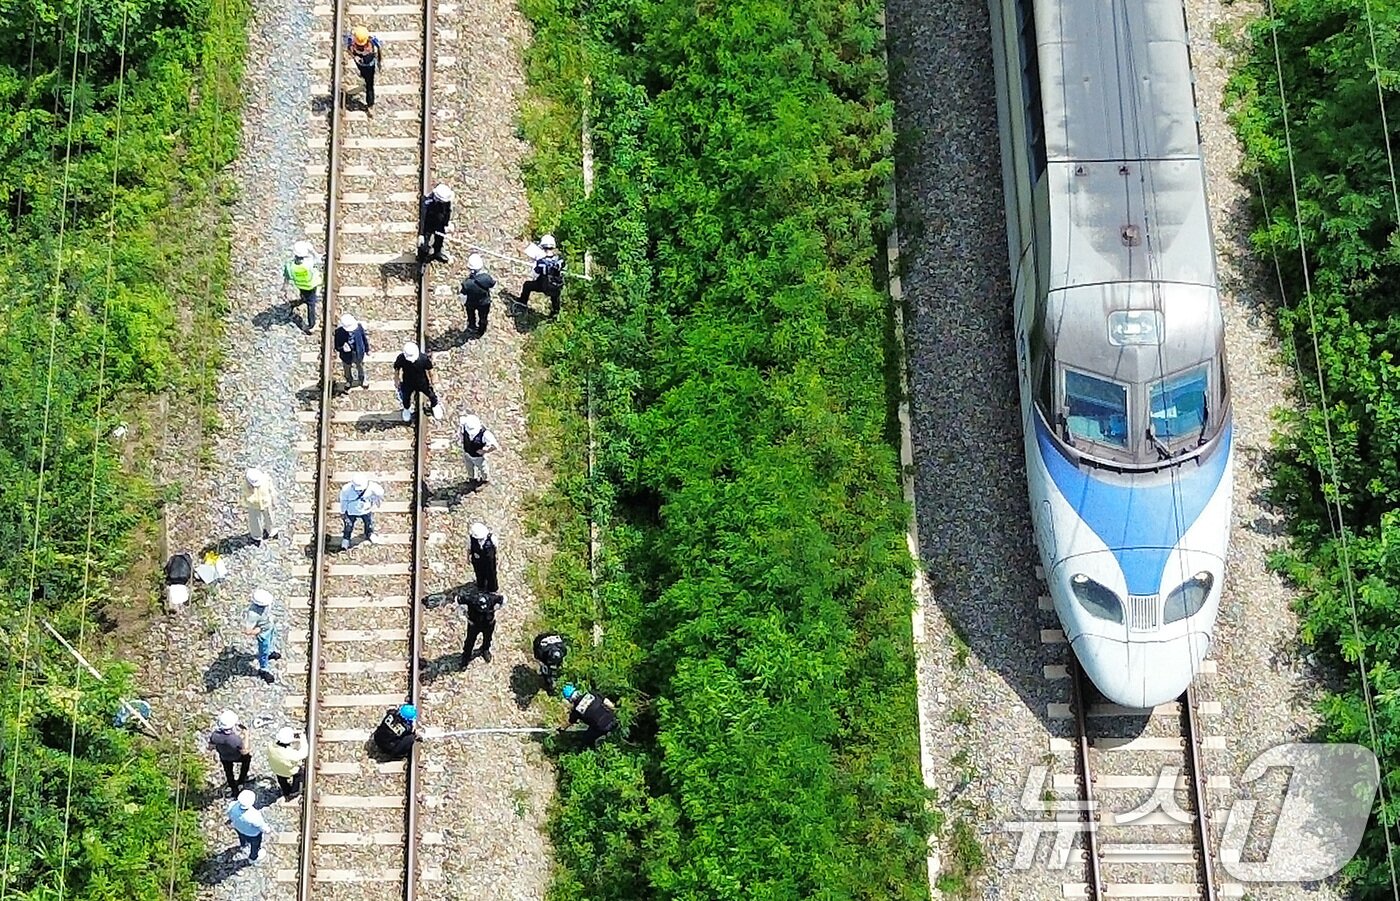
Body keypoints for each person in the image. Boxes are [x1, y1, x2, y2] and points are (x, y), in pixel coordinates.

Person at [394, 341, 442, 422]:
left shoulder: (423, 358)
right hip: (407, 381)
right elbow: (397, 369)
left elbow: (430, 370)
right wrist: (396, 379)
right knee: (406, 397)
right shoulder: (401, 358)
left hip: (422, 381)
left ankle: (435, 405)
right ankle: (406, 409)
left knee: (431, 394)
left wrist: (434, 380)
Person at [207, 710, 251, 798]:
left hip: (224, 757)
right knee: (247, 759)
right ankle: (241, 780)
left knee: (228, 772)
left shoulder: (214, 735)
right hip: (237, 756)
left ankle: (233, 788)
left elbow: (210, 747)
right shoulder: (234, 739)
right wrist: (246, 735)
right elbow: (245, 750)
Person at [520, 234, 565, 317]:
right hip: (556, 287)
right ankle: (555, 313)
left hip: (543, 286)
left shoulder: (541, 262)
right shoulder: (560, 259)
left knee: (527, 285)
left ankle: (522, 303)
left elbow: (534, 275)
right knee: (555, 297)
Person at [283, 241, 323, 333]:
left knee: (305, 297)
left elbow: (287, 277)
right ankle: (312, 325)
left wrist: (284, 287)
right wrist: (312, 251)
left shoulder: (290, 266)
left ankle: (302, 300)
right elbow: (319, 262)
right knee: (311, 305)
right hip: (311, 286)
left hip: (301, 286)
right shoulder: (309, 263)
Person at [243, 589, 281, 684]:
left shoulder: (267, 604)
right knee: (263, 650)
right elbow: (248, 631)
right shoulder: (253, 614)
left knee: (272, 640)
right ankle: (263, 669)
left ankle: (270, 652)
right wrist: (259, 630)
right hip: (263, 634)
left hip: (270, 627)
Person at [460, 589, 504, 667]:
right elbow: (458, 600)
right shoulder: (470, 599)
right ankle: (466, 656)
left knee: (488, 638)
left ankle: (485, 649)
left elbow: (504, 599)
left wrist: (497, 608)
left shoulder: (492, 598)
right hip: (474, 624)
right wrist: (464, 613)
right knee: (470, 641)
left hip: (488, 623)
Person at [339, 474, 385, 549]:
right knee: (348, 526)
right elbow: (343, 501)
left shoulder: (372, 487)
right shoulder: (346, 489)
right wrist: (343, 511)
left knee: (369, 523)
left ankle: (369, 533)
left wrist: (377, 499)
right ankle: (346, 538)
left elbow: (380, 493)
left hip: (366, 510)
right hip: (351, 511)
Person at [227, 789, 271, 865]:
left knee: (242, 837)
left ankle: (243, 845)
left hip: (239, 828)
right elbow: (261, 826)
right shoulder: (254, 815)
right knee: (255, 845)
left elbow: (230, 816)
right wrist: (267, 830)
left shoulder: (232, 806)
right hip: (252, 834)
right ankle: (253, 858)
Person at [267, 727, 308, 804]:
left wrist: (293, 732)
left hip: (276, 769)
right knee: (299, 774)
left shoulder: (270, 746)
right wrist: (303, 738)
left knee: (282, 780)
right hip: (289, 771)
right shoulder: (290, 754)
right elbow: (304, 753)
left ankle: (286, 792)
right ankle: (294, 792)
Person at [459, 254, 496, 336]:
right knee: (483, 317)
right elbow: (493, 284)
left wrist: (463, 303)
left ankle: (472, 326)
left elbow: (463, 296)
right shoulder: (486, 278)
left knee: (471, 315)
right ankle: (481, 331)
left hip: (471, 303)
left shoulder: (467, 283)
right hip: (484, 303)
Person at [346, 25, 382, 110]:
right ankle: (370, 103)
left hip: (361, 64)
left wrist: (354, 56)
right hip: (370, 65)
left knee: (365, 76)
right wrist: (379, 61)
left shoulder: (351, 42)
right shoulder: (373, 42)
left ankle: (364, 80)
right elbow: (379, 48)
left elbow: (348, 48)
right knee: (370, 84)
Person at [417, 184, 454, 264]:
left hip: (440, 223)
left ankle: (437, 252)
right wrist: (421, 234)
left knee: (439, 240)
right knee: (424, 245)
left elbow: (448, 211)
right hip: (428, 224)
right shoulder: (426, 201)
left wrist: (447, 224)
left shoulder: (447, 200)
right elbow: (422, 218)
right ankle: (422, 258)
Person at [458, 414, 499, 483]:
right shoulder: (464, 426)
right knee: (469, 467)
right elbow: (461, 433)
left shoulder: (485, 434)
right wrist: (462, 439)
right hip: (467, 453)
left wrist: (484, 451)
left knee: (483, 469)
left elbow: (495, 445)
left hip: (478, 457)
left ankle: (485, 480)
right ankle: (472, 479)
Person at [334, 313, 370, 390]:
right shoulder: (339, 332)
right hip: (346, 355)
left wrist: (367, 349)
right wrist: (342, 348)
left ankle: (362, 379)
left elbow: (364, 339)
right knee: (347, 368)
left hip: (358, 352)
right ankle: (349, 381)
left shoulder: (359, 327)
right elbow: (336, 346)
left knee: (360, 366)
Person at [243, 467, 278, 543]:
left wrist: (274, 501)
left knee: (269, 517)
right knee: (255, 520)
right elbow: (244, 496)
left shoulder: (266, 479)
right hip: (254, 506)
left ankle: (271, 531)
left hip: (266, 503)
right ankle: (256, 536)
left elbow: (272, 491)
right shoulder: (246, 486)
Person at [468, 522, 498, 593]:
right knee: (479, 573)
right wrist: (467, 558)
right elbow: (469, 549)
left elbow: (496, 548)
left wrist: (496, 558)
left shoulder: (492, 538)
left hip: (489, 560)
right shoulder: (471, 539)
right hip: (477, 560)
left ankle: (492, 588)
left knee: (491, 574)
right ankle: (481, 585)